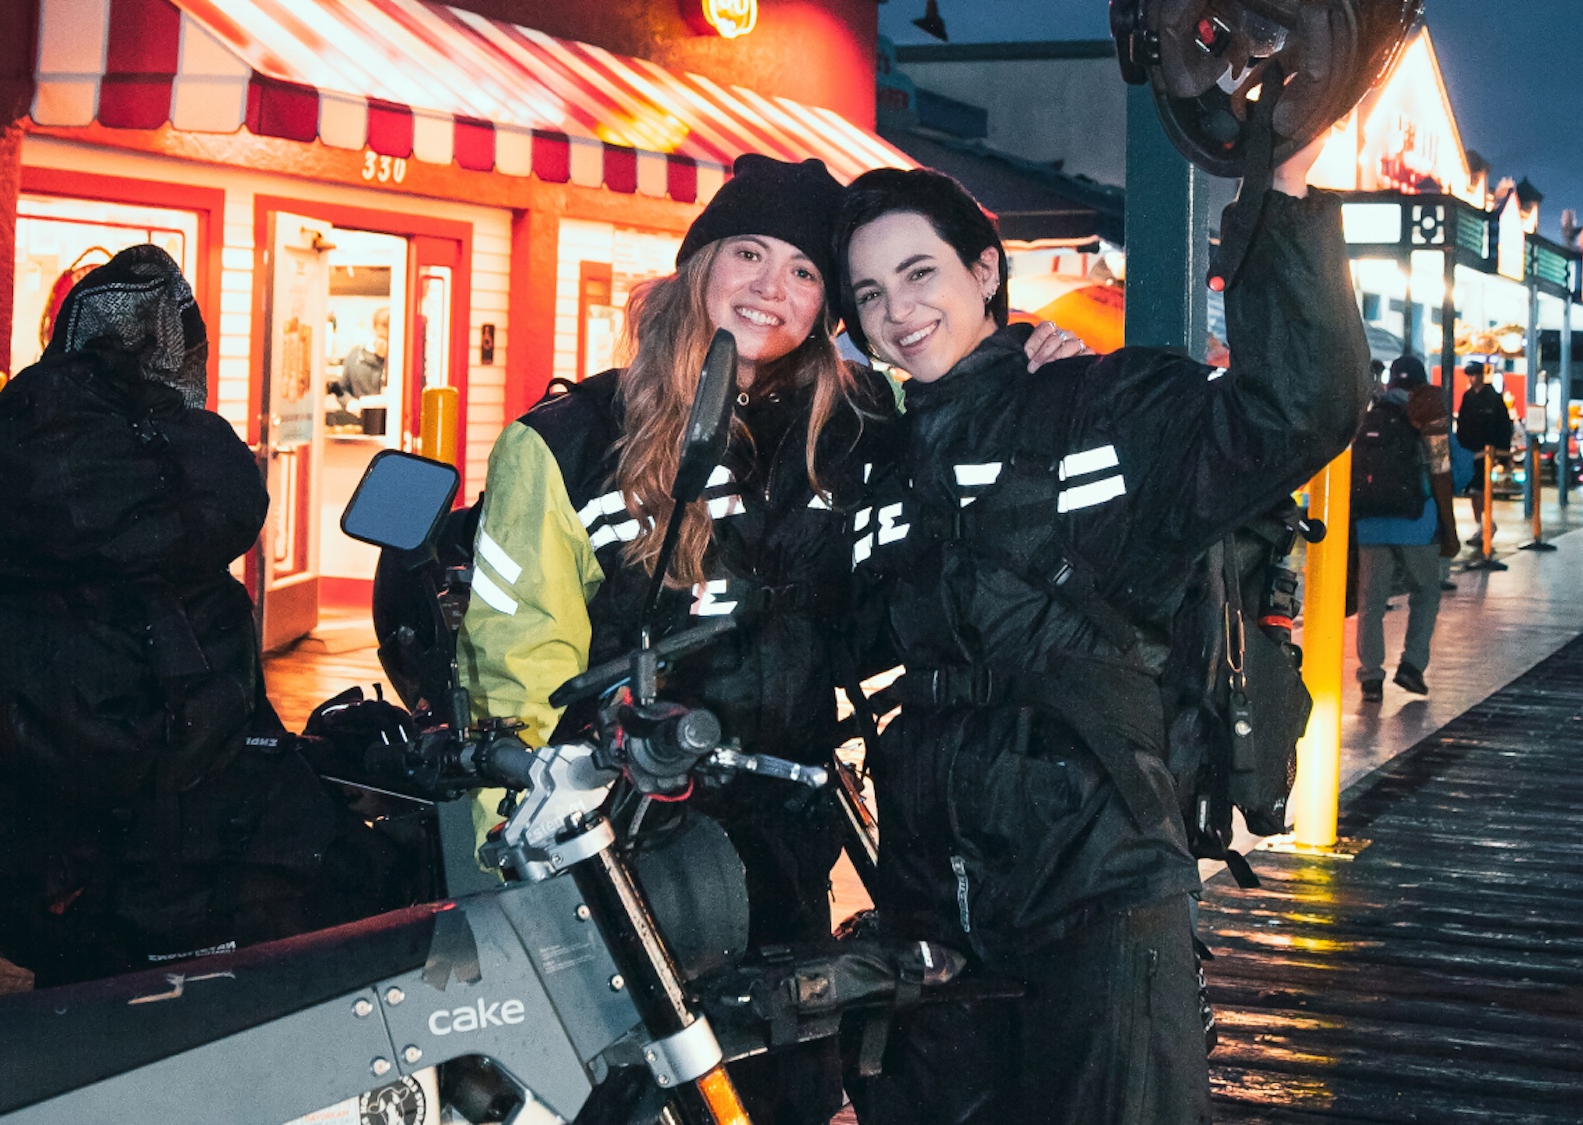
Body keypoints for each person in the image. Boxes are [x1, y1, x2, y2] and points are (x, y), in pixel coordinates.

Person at [451, 154, 1082, 1124]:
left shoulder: (865, 426)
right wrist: (534, 851)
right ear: (697, 263)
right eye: (747, 252)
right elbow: (514, 658)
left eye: (802, 271)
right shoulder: (567, 438)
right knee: (625, 1094)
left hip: (786, 831)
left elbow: (970, 413)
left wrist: (1032, 359)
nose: (769, 287)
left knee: (780, 1090)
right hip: (622, 847)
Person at [836, 148, 1365, 1125]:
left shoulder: (1101, 403)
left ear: (984, 272)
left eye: (919, 275)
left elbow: (1296, 412)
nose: (897, 312)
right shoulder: (883, 460)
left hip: (1096, 890)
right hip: (929, 895)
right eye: (869, 294)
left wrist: (1282, 192)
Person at [0, 246, 409, 986]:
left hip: (40, 823)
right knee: (361, 888)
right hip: (164, 841)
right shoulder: (154, 493)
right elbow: (219, 726)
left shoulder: (10, 460)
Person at [1352, 360, 1472, 702]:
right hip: (1418, 525)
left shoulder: (1368, 417)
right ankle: (1411, 665)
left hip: (1370, 526)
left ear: (1390, 384)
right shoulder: (1428, 414)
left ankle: (1371, 678)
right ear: (1421, 384)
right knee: (1426, 593)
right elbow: (1457, 472)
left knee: (1371, 603)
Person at [1454, 361, 1513, 551]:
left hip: (1487, 453)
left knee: (1480, 490)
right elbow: (1462, 425)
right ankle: (1481, 525)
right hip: (1471, 453)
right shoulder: (1468, 397)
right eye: (1470, 375)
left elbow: (1504, 426)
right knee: (1473, 492)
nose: (1473, 378)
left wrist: (1501, 454)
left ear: (1482, 375)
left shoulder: (1494, 398)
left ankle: (1486, 525)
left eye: (1475, 374)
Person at [329, 306, 390, 413]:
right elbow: (339, 389)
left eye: (389, 339)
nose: (384, 343)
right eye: (381, 337)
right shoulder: (356, 356)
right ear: (374, 330)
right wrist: (349, 402)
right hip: (362, 419)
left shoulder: (402, 362)